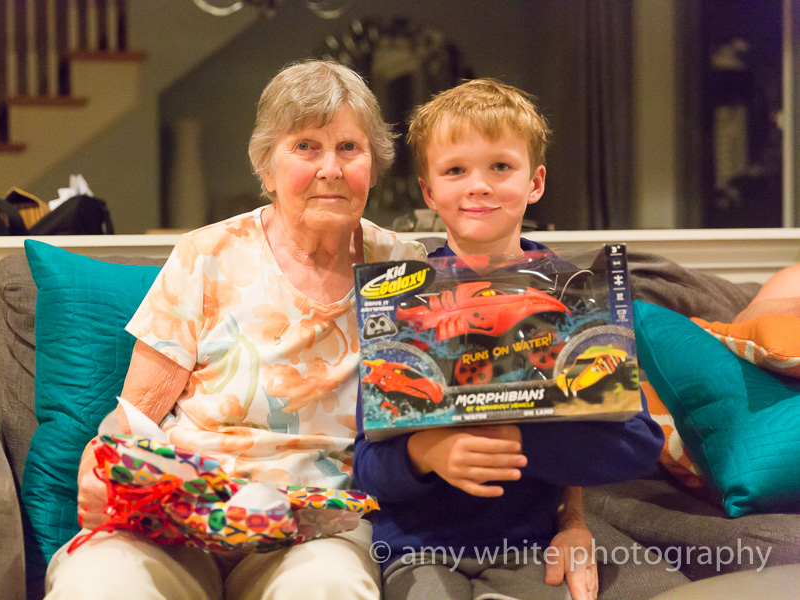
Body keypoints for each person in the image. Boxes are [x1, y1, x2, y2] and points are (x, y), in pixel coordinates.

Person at [44, 60, 426, 600]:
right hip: (185, 514)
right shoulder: (207, 254)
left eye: (349, 148)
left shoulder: (403, 268)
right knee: (100, 583)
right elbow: (135, 415)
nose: (331, 168)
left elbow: (418, 419)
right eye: (306, 146)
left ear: (374, 164)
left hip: (312, 528)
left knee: (328, 587)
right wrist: (100, 467)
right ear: (266, 168)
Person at [353, 79, 665, 600]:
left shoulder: (575, 293)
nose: (478, 186)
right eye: (455, 170)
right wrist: (425, 453)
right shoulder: (399, 299)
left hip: (527, 547)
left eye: (500, 166)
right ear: (429, 192)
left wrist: (522, 440)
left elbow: (637, 444)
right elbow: (367, 466)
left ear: (535, 181)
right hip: (416, 549)